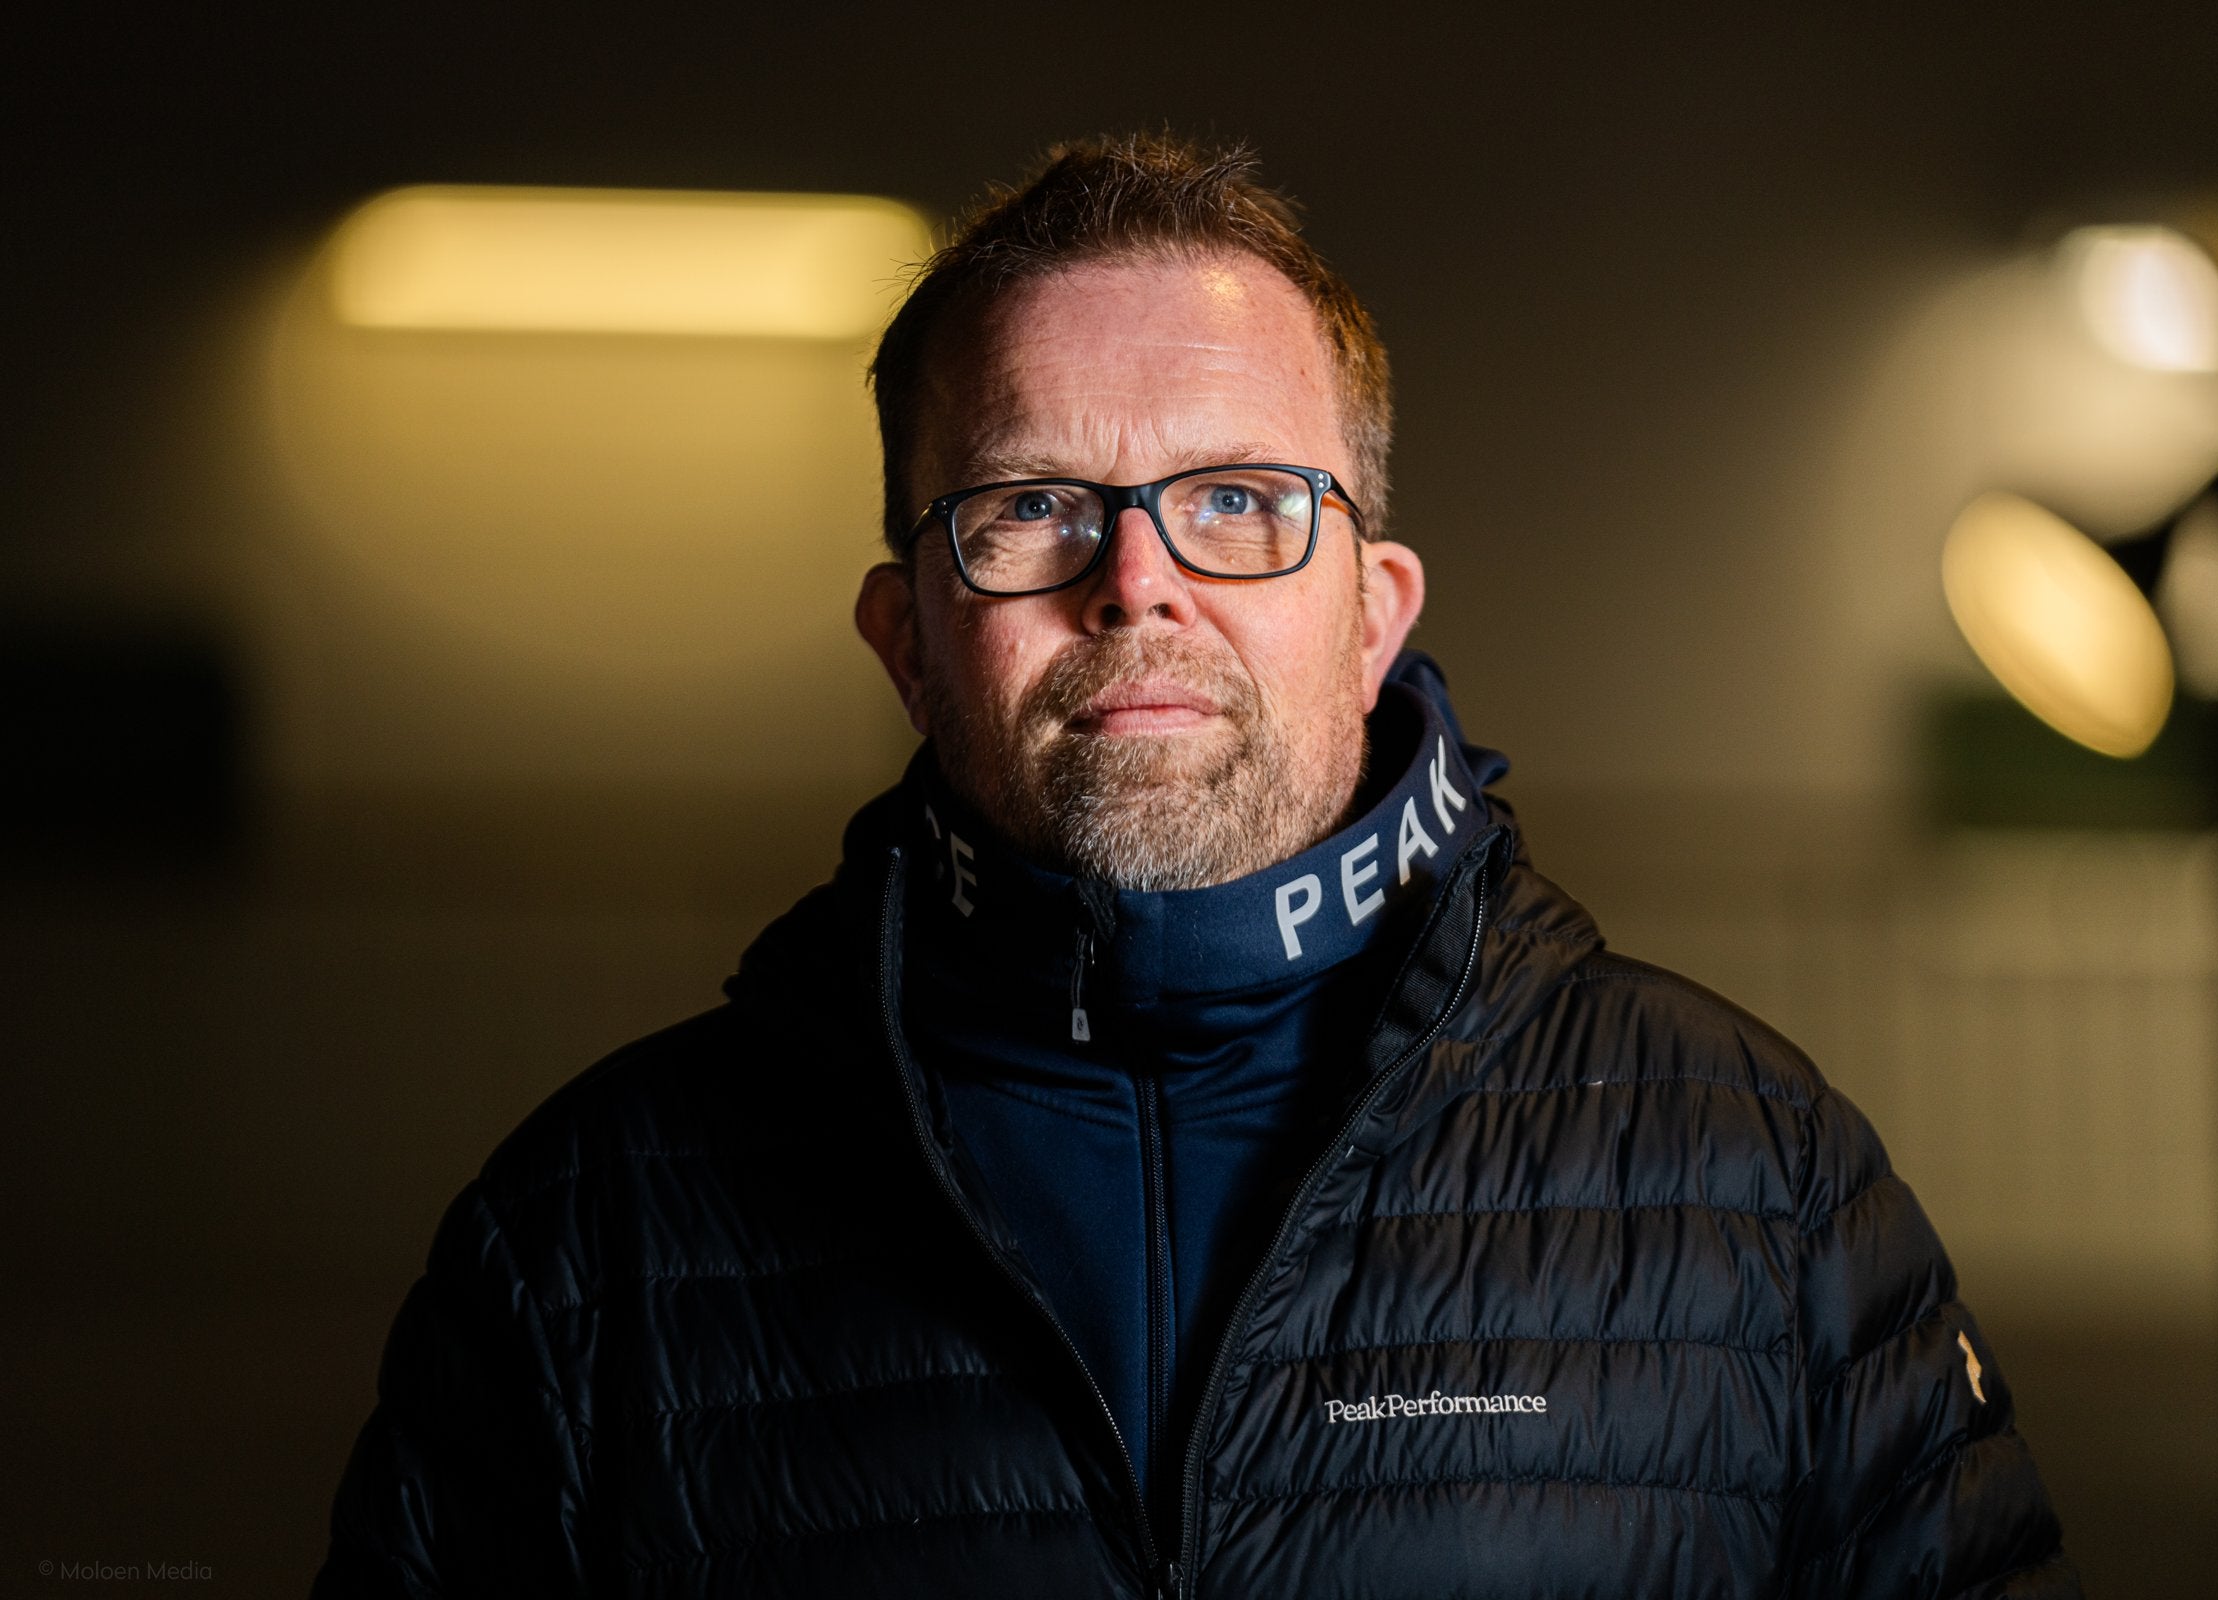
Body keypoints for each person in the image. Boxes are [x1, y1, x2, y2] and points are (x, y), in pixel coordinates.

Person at [314, 134, 2075, 1598]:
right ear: (907, 640)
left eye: (1238, 501)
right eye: (1030, 508)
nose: (1137, 582)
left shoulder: (1761, 1183)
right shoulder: (584, 1243)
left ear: (1373, 616)